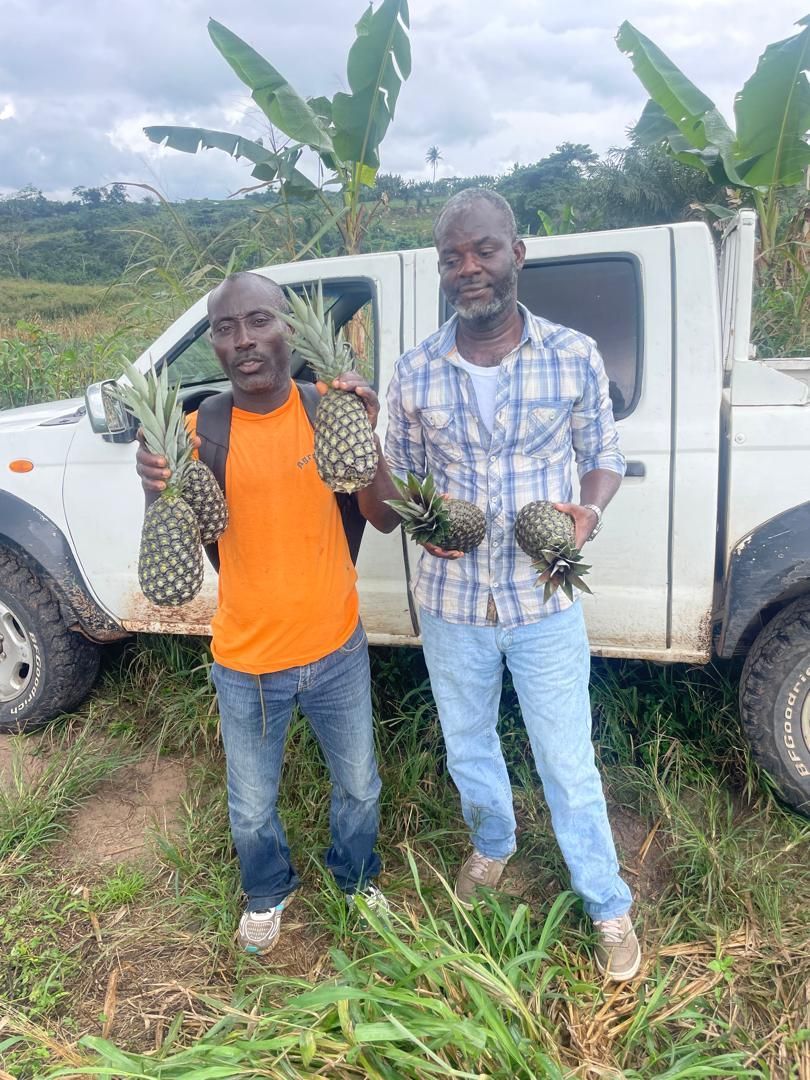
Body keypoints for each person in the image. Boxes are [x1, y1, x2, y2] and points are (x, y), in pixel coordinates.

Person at [384, 189, 641, 981]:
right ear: (442, 269)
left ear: (517, 254)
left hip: (542, 598)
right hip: (453, 603)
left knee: (566, 756)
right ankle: (493, 845)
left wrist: (586, 516)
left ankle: (605, 901)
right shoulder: (414, 370)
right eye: (453, 256)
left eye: (485, 250)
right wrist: (424, 521)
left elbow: (604, 455)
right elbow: (402, 485)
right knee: (469, 746)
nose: (470, 268)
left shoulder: (572, 354)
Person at [136, 271, 400, 955]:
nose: (243, 340)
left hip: (336, 647)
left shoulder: (327, 411)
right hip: (246, 661)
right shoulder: (200, 434)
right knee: (251, 808)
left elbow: (385, 516)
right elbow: (181, 548)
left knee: (361, 786)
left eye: (258, 321)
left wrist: (366, 436)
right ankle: (266, 892)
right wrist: (155, 492)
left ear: (288, 328)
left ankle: (355, 875)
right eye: (225, 328)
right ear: (215, 345)